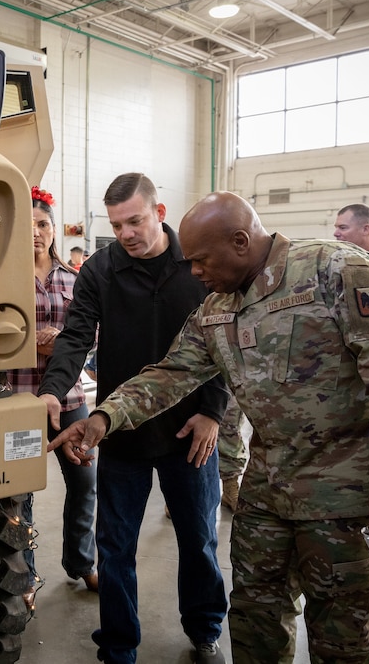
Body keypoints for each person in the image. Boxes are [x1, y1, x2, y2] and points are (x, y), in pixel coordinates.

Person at [49, 191, 369, 663]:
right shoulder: (217, 307)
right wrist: (104, 418)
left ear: (239, 241)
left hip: (345, 499)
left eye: (200, 260)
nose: (192, 272)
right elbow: (171, 373)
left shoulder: (335, 272)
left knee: (340, 641)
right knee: (254, 625)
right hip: (266, 496)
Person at [37, 173, 229, 664]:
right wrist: (54, 390)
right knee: (116, 545)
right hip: (120, 429)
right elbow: (75, 335)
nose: (126, 233)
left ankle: (205, 627)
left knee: (199, 538)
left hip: (190, 433)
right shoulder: (101, 270)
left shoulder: (197, 265)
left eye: (136, 221)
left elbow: (226, 343)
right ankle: (119, 645)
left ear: (159, 213)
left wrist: (213, 412)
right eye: (117, 224)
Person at [14, 186, 97, 612]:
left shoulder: (74, 278)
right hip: (20, 400)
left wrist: (62, 344)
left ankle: (81, 562)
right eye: (27, 225)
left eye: (43, 224)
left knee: (84, 484)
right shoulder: (3, 278)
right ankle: (24, 576)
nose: (36, 233)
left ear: (53, 229)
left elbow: (92, 334)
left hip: (70, 400)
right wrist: (35, 345)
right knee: (19, 493)